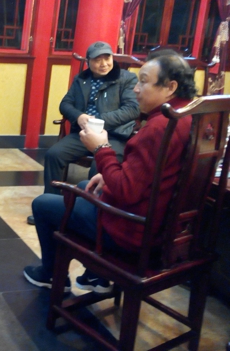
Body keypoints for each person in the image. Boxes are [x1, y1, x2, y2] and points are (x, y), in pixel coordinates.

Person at [23, 50, 196, 293]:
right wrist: (111, 172)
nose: (137, 88)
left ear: (171, 87)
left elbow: (126, 191)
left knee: (43, 204)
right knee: (85, 186)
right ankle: (96, 276)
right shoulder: (190, 116)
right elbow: (150, 173)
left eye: (144, 81)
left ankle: (51, 275)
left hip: (133, 233)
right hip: (164, 227)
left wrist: (101, 148)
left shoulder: (159, 127)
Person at [28, 41, 140, 225]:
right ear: (88, 62)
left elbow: (132, 109)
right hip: (84, 133)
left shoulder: (126, 78)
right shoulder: (81, 79)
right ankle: (51, 204)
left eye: (107, 58)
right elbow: (65, 104)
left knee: (99, 165)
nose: (104, 64)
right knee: (54, 154)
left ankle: (89, 212)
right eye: (97, 60)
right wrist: (79, 116)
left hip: (113, 135)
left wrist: (100, 120)